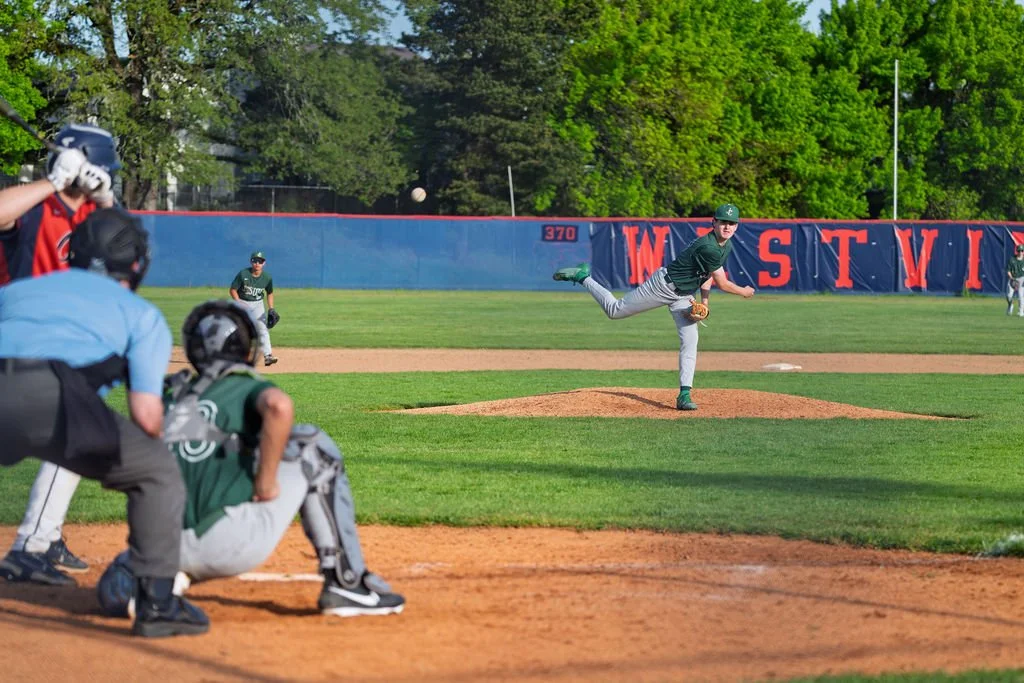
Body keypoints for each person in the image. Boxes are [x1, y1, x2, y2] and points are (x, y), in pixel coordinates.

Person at [96, 300, 404, 619]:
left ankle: (156, 584)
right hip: (227, 544)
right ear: (245, 348)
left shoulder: (168, 394)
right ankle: (346, 582)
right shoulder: (242, 385)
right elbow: (278, 407)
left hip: (158, 546)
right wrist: (265, 482)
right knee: (311, 444)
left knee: (122, 574)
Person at [0, 207, 209, 637]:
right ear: (135, 262)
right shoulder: (141, 315)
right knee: (156, 472)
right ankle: (157, 604)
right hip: (48, 398)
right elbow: (147, 417)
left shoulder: (18, 291)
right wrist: (199, 428)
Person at [0, 124, 121, 587]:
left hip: (62, 345)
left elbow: (127, 248)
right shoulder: (35, 208)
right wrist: (51, 182)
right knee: (72, 432)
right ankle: (30, 547)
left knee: (76, 436)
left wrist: (107, 199)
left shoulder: (94, 215)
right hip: (21, 339)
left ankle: (43, 538)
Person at [552, 203, 755, 411]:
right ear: (714, 222)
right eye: (723, 222)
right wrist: (744, 292)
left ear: (737, 226)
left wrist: (704, 303)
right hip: (662, 286)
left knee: (691, 340)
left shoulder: (726, 246)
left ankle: (684, 395)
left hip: (683, 296)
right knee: (614, 310)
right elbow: (722, 283)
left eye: (732, 223)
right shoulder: (708, 246)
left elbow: (707, 276)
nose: (727, 227)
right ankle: (582, 276)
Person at [229, 250, 278, 366]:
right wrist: (238, 302)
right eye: (255, 261)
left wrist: (271, 308)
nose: (257, 263)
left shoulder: (267, 277)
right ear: (251, 262)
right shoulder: (243, 274)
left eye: (260, 261)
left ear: (264, 263)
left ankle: (268, 356)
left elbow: (270, 293)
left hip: (258, 304)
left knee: (262, 329)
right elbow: (232, 290)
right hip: (242, 302)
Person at [1006, 244, 1024, 317]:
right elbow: (1008, 270)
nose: (1020, 252)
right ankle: (1011, 305)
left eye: (1022, 251)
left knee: (1021, 296)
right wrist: (1011, 278)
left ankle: (1021, 311)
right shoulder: (1012, 259)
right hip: (1012, 278)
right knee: (1008, 296)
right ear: (1017, 251)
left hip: (1022, 279)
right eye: (1019, 251)